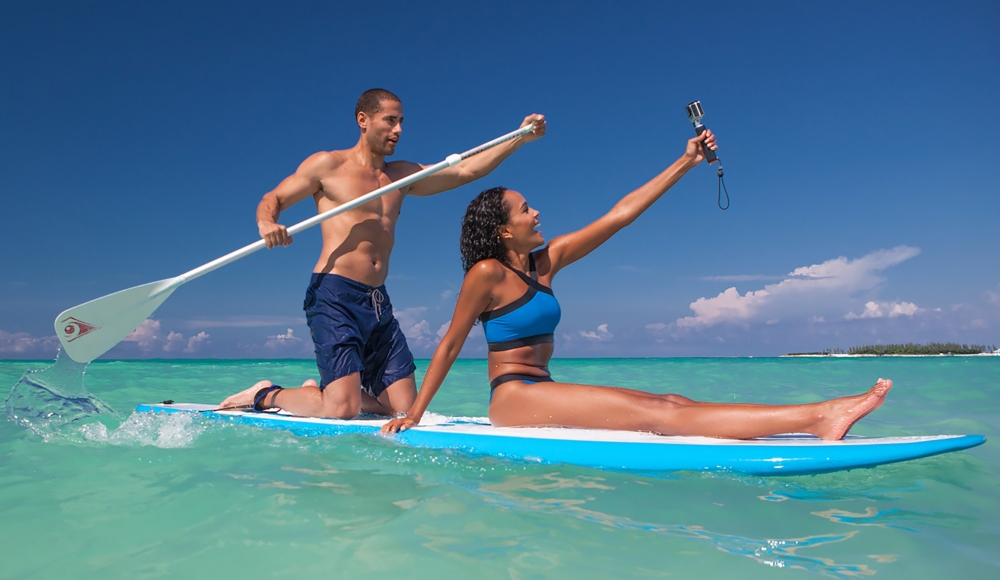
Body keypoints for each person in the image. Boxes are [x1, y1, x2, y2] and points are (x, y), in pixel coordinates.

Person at [381, 130, 892, 439]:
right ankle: (818, 417)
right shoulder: (487, 273)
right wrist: (415, 414)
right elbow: (450, 344)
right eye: (525, 209)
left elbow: (620, 215)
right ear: (502, 229)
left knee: (674, 399)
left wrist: (687, 162)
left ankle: (802, 420)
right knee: (662, 412)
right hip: (514, 398)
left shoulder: (548, 261)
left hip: (544, 388)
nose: (537, 212)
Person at [220, 89, 546, 418]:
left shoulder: (402, 175)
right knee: (342, 410)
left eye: (401, 122)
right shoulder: (328, 165)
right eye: (390, 121)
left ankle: (321, 392)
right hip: (335, 293)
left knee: (402, 410)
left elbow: (466, 171)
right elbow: (273, 198)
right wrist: (267, 223)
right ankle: (266, 394)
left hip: (377, 299)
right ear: (363, 120)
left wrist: (519, 138)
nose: (398, 130)